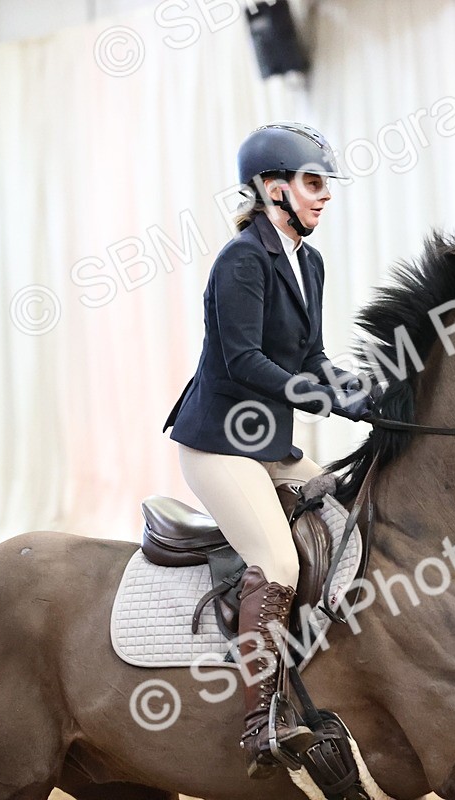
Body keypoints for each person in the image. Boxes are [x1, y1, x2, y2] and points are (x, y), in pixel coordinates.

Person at [162, 122, 372, 778]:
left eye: (324, 183)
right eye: (312, 183)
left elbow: (311, 357)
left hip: (271, 446)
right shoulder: (241, 260)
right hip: (219, 446)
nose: (324, 196)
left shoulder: (308, 263)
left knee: (346, 527)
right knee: (277, 557)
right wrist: (326, 398)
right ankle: (264, 717)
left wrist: (368, 394)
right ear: (271, 189)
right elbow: (245, 360)